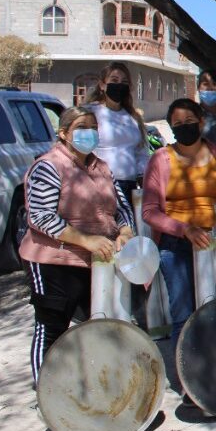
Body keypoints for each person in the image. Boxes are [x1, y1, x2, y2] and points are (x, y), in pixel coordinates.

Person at [20, 107, 136, 385]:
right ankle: (46, 393)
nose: (90, 133)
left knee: (101, 325)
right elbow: (40, 215)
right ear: (63, 133)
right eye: (82, 128)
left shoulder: (101, 167)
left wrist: (125, 231)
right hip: (54, 261)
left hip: (98, 262)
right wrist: (85, 240)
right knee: (52, 328)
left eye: (93, 127)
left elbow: (121, 207)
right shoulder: (49, 165)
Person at [142, 99, 216, 348]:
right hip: (175, 246)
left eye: (189, 121)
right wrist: (184, 229)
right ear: (171, 128)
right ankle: (189, 377)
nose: (184, 127)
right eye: (177, 124)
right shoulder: (160, 160)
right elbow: (149, 211)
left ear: (201, 122)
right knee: (184, 315)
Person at [84, 62, 149, 203]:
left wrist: (144, 180)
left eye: (124, 82)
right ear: (102, 85)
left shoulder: (133, 117)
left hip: (129, 187)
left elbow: (141, 152)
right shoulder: (90, 113)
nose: (119, 85)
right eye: (114, 80)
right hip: (100, 185)